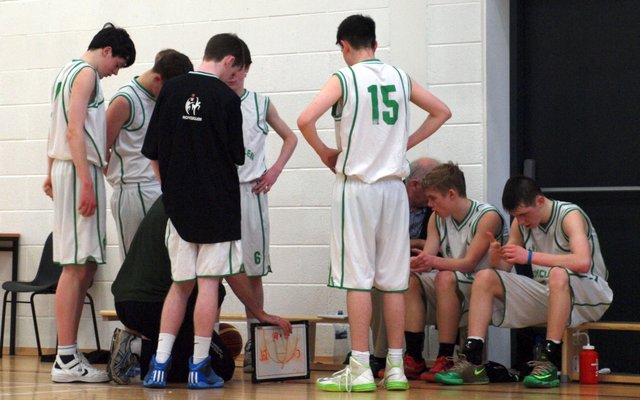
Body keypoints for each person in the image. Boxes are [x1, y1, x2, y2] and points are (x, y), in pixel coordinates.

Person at [297, 14, 451, 392]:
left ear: (344, 46)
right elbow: (442, 111)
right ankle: (396, 368)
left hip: (358, 187)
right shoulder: (400, 77)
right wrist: (404, 144)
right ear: (376, 44)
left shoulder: (344, 77)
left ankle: (361, 367)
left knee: (358, 280)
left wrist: (324, 152)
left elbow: (304, 119)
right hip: (395, 191)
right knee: (394, 283)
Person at [140, 33, 249, 390]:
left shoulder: (170, 89)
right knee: (208, 285)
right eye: (237, 72)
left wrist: (170, 191)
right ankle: (199, 365)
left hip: (178, 207)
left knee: (179, 286)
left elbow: (153, 152)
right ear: (229, 61)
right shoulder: (227, 98)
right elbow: (237, 156)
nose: (236, 79)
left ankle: (159, 364)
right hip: (218, 207)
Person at [435, 176, 613, 388]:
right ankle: (473, 358)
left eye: (524, 214)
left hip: (590, 293)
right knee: (485, 277)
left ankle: (549, 360)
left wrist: (529, 257)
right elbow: (503, 269)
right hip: (552, 294)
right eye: (516, 216)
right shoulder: (520, 225)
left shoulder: (569, 215)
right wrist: (495, 257)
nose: (520, 221)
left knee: (557, 274)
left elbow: (582, 262)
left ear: (540, 201)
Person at [109, 196, 293, 385]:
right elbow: (232, 273)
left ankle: (144, 353)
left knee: (201, 290)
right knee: (221, 365)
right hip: (153, 303)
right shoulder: (211, 203)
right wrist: (259, 313)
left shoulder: (171, 196)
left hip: (126, 300)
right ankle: (136, 350)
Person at [42, 22, 135, 383]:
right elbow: (72, 130)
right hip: (79, 169)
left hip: (67, 167)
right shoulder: (86, 74)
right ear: (107, 50)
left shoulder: (65, 71)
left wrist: (50, 170)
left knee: (85, 264)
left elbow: (56, 127)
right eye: (118, 64)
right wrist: (84, 182)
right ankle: (65, 356)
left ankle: (68, 353)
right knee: (76, 265)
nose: (116, 72)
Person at [221, 41, 298, 373]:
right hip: (221, 194)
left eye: (239, 69)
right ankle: (209, 339)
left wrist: (275, 170)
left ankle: (255, 338)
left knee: (253, 270)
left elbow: (291, 137)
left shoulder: (260, 103)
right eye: (230, 69)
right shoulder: (213, 99)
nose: (233, 75)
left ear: (246, 69)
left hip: (251, 192)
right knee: (214, 269)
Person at [403, 162, 506, 382]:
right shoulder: (437, 218)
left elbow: (469, 264)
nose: (429, 205)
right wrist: (415, 264)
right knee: (410, 280)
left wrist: (432, 261)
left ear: (451, 194)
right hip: (453, 282)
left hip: (486, 285)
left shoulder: (487, 216)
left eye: (433, 198)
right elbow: (428, 259)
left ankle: (445, 357)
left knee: (444, 277)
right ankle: (413, 357)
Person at [106, 49, 194, 261]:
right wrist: (118, 178)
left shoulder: (162, 99)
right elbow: (99, 148)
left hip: (160, 189)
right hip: (133, 190)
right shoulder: (125, 100)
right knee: (135, 264)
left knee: (165, 263)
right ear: (157, 79)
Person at [370, 157, 439, 376]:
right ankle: (381, 355)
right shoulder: (386, 198)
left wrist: (412, 244)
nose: (432, 199)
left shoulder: (436, 207)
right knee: (379, 285)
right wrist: (416, 243)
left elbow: (438, 246)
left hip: (423, 267)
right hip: (389, 263)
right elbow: (375, 241)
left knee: (407, 281)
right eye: (430, 191)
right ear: (415, 185)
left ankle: (412, 356)